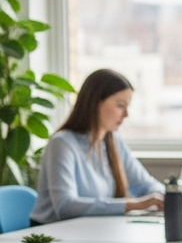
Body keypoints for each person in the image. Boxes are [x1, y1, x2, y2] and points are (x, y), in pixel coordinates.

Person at [30, 69, 164, 224]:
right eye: (120, 105)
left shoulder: (113, 141)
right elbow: (65, 206)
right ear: (95, 104)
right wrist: (133, 205)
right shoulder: (62, 143)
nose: (126, 114)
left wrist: (161, 197)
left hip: (92, 231)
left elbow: (146, 184)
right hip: (53, 235)